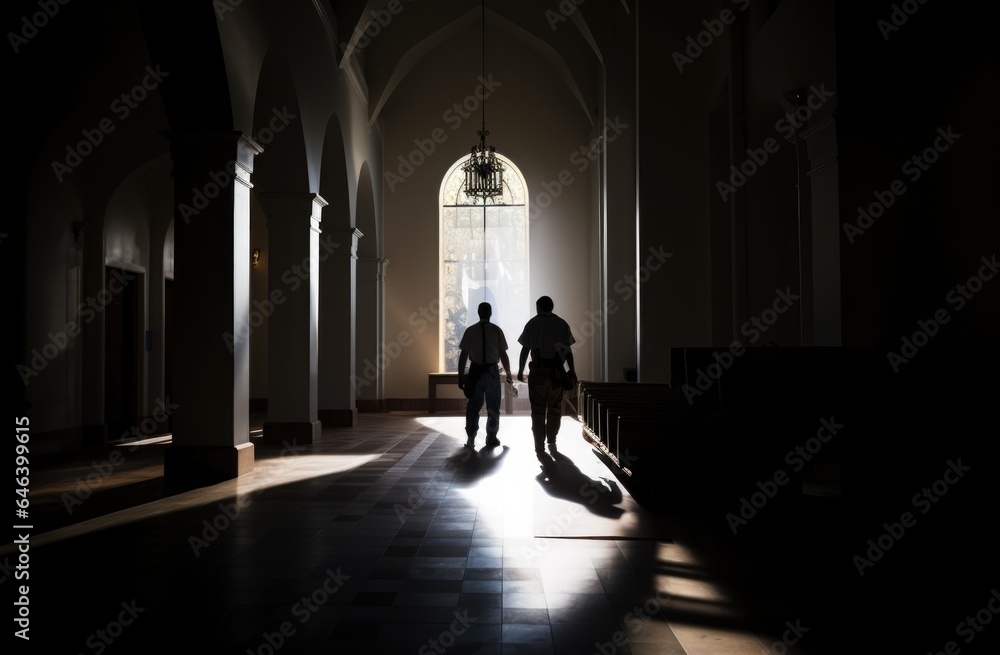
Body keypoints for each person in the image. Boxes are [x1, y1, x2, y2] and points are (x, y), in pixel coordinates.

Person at [517, 296, 577, 454]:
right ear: (551, 306)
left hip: (537, 372)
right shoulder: (562, 324)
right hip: (557, 373)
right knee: (555, 409)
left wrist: (520, 370)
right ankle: (552, 440)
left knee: (538, 411)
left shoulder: (533, 323)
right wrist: (572, 371)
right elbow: (568, 351)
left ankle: (539, 446)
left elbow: (525, 349)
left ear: (538, 307)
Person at [458, 302, 513, 448]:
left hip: (475, 373)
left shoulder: (470, 331)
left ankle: (470, 438)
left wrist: (461, 376)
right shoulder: (496, 330)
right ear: (490, 313)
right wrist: (508, 374)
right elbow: (503, 354)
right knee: (493, 407)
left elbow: (463, 355)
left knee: (473, 406)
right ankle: (491, 437)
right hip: (491, 372)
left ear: (478, 313)